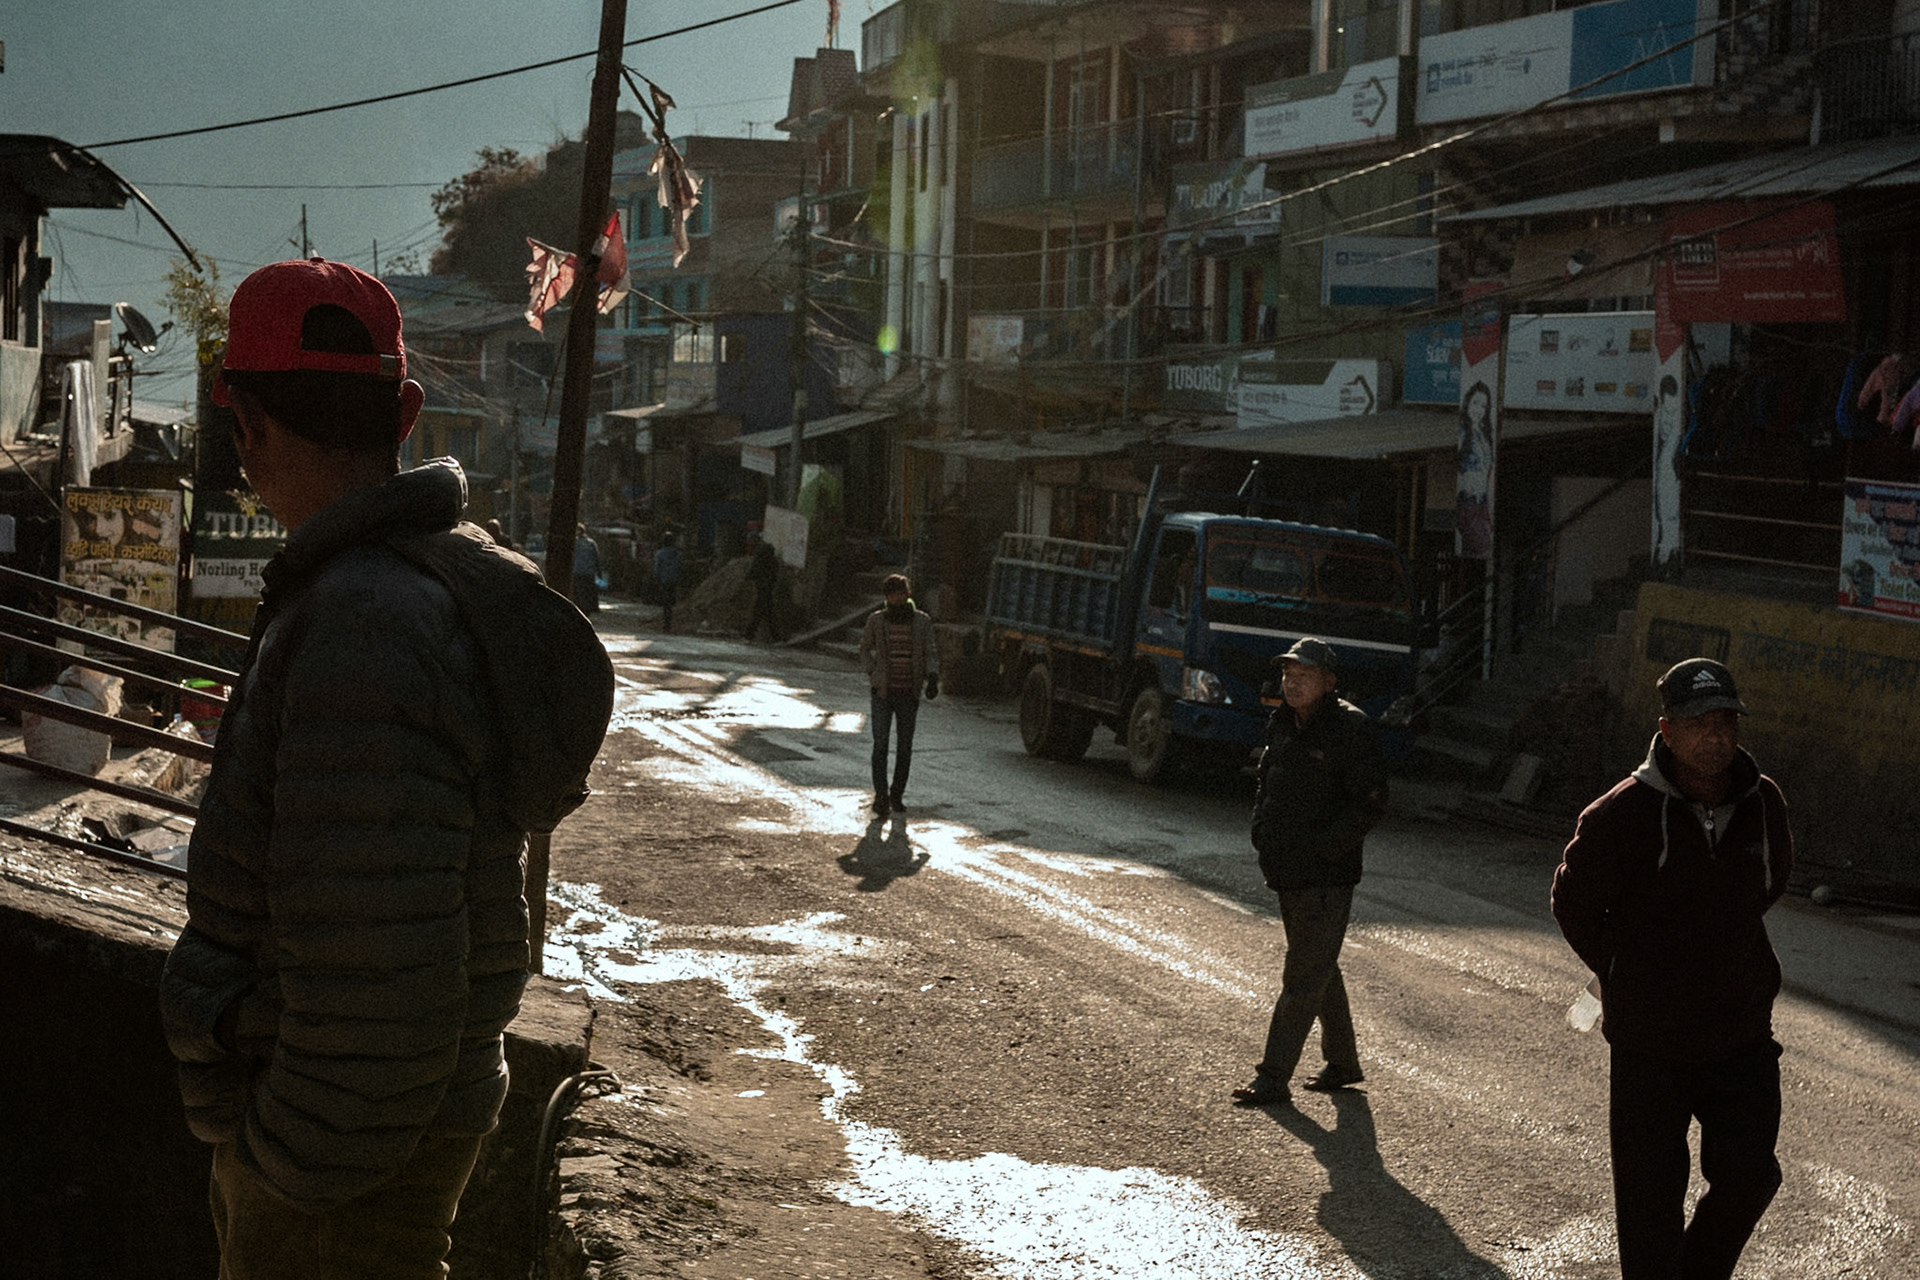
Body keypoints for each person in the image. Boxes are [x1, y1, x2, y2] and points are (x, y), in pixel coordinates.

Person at [157, 257, 614, 1280]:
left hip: (334, 1155)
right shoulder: (398, 591)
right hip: (372, 1123)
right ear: (405, 410)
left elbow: (376, 964)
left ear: (246, 425)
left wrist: (291, 1159)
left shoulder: (362, 623)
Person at [1551, 658, 1792, 1280]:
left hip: (1740, 1034)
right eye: (1697, 723)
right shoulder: (1618, 815)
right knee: (1649, 1207)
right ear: (1666, 729)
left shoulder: (1764, 802)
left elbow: (1770, 883)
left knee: (1751, 1177)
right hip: (1649, 1044)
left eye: (1724, 722)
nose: (1714, 735)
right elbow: (1571, 900)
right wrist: (1622, 970)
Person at [1233, 636, 1387, 1109]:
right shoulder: (1283, 722)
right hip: (1286, 869)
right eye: (1287, 674)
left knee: (1303, 975)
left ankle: (1272, 1077)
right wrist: (1261, 830)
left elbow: (1370, 804)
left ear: (1329, 682)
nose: (1291, 683)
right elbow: (1267, 783)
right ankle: (1342, 1063)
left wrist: (1325, 851)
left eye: (1303, 676)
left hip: (1326, 876)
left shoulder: (1351, 730)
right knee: (1318, 965)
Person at [858, 573, 938, 817]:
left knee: (905, 748)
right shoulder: (877, 620)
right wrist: (873, 673)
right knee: (880, 745)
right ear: (886, 597)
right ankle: (881, 796)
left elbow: (929, 652)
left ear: (908, 594)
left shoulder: (921, 621)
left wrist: (932, 677)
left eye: (901, 593)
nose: (897, 598)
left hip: (908, 694)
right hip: (882, 693)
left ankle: (897, 795)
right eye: (893, 595)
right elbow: (864, 649)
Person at [744, 531, 781, 641]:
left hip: (763, 585)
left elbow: (755, 567)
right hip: (768, 585)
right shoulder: (767, 551)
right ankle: (776, 637)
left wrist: (747, 578)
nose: (749, 543)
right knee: (767, 611)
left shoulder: (760, 551)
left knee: (759, 610)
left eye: (750, 540)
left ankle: (749, 635)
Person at [653, 529, 684, 633]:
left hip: (664, 580)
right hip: (674, 580)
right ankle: (669, 623)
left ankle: (666, 624)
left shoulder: (659, 554)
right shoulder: (678, 554)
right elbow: (680, 567)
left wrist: (657, 579)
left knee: (665, 603)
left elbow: (657, 568)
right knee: (671, 602)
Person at [572, 522, 602, 613]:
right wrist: (599, 572)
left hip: (576, 571)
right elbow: (596, 558)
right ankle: (588, 609)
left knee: (577, 592)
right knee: (587, 591)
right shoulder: (591, 543)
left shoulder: (574, 543)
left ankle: (578, 609)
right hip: (589, 572)